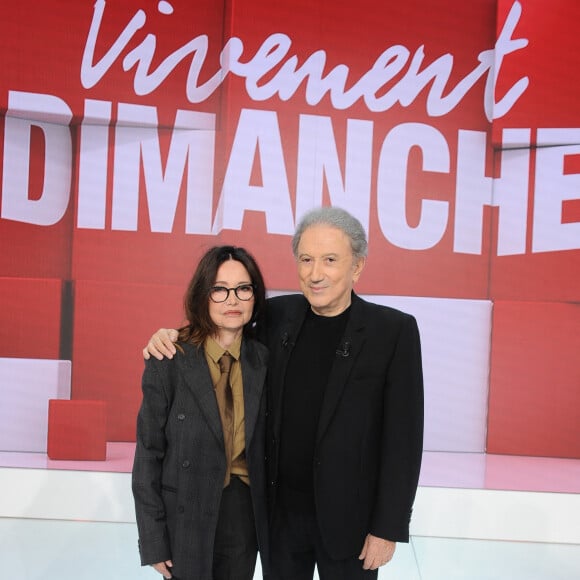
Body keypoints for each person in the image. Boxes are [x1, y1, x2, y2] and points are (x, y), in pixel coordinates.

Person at [144, 207, 424, 580]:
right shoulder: (276, 316)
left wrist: (387, 527)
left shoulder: (393, 332)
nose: (315, 273)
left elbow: (403, 441)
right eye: (306, 259)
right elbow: (222, 325)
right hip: (280, 521)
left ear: (357, 266)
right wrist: (171, 335)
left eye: (329, 260)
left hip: (351, 525)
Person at [132, 246, 270, 580]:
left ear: (255, 296)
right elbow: (149, 453)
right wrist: (154, 540)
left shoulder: (267, 360)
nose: (232, 300)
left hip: (243, 514)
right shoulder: (169, 357)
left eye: (243, 289)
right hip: (185, 512)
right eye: (219, 289)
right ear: (203, 295)